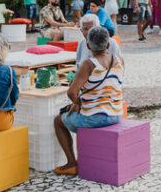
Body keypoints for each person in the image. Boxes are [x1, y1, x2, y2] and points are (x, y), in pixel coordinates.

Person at [53, 27, 124, 175]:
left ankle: (71, 163)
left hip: (96, 118)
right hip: (116, 114)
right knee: (74, 116)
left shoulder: (89, 64)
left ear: (87, 45)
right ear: (108, 45)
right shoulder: (120, 60)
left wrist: (78, 102)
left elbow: (71, 92)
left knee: (58, 121)